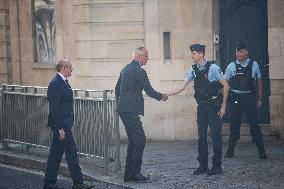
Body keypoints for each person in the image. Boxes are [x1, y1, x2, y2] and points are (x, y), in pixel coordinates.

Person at [167, 44, 229, 176]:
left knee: (216, 136)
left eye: (194, 53)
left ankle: (217, 166)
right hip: (202, 107)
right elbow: (182, 86)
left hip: (214, 106)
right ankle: (203, 165)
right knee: (201, 137)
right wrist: (166, 94)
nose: (192, 55)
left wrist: (223, 106)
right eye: (192, 53)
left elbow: (225, 86)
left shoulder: (213, 67)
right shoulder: (193, 69)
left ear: (201, 54)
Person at [115, 47, 168, 182]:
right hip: (130, 110)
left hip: (124, 110)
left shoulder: (126, 69)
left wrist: (121, 104)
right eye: (146, 58)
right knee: (140, 139)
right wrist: (161, 96)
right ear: (139, 56)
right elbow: (149, 91)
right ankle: (135, 173)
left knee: (134, 140)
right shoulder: (139, 71)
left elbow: (117, 89)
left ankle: (129, 174)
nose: (147, 61)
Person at [43, 58, 93, 189]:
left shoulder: (63, 82)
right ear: (64, 68)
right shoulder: (56, 83)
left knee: (55, 154)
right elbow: (55, 108)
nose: (72, 69)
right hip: (61, 125)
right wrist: (59, 128)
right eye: (70, 67)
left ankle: (49, 183)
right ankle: (78, 183)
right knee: (71, 152)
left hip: (63, 123)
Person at [224, 42, 267, 159]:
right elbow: (224, 83)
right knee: (234, 124)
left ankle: (261, 150)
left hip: (249, 98)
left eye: (241, 51)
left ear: (246, 52)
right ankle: (230, 149)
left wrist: (259, 98)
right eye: (237, 51)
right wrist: (224, 99)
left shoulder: (254, 65)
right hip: (236, 99)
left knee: (254, 124)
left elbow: (259, 82)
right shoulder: (231, 66)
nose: (239, 54)